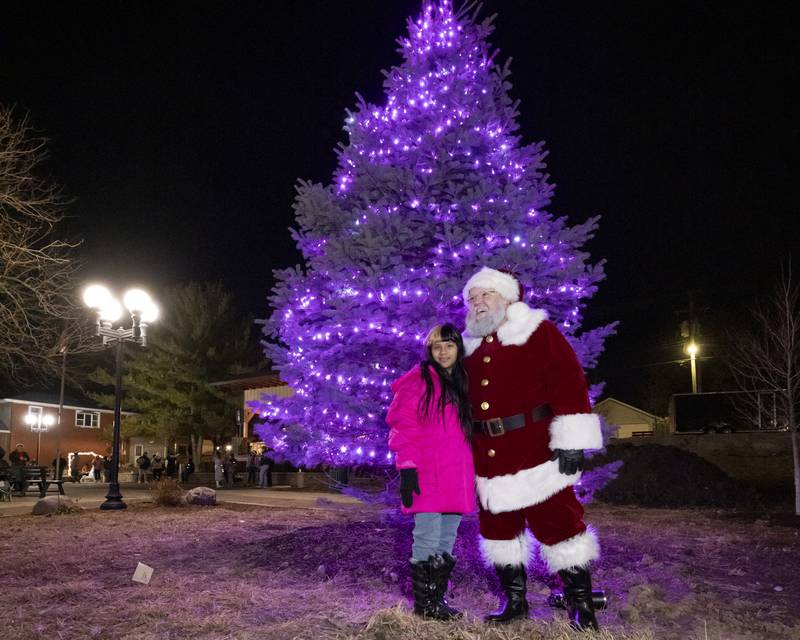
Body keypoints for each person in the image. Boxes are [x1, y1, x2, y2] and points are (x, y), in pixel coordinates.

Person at [462, 267, 605, 631]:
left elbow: (569, 382)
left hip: (536, 453)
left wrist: (571, 441)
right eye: (472, 298)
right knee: (499, 533)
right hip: (489, 459)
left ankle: (581, 605)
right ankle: (515, 602)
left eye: (486, 295)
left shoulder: (537, 332)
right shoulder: (467, 346)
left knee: (560, 527)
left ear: (509, 298)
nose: (478, 303)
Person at [387, 323, 476, 620]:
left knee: (447, 538)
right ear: (429, 350)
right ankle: (424, 605)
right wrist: (407, 467)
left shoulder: (463, 382)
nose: (443, 351)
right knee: (426, 535)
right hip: (427, 471)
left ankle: (437, 601)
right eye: (437, 346)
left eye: (449, 345)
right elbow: (403, 426)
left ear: (458, 348)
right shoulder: (417, 381)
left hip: (458, 474)